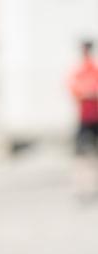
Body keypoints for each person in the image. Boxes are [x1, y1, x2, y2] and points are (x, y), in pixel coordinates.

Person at [68, 40, 98, 199]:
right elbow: (74, 89)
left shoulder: (93, 69)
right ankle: (83, 184)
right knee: (81, 152)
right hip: (85, 115)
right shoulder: (79, 71)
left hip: (94, 114)